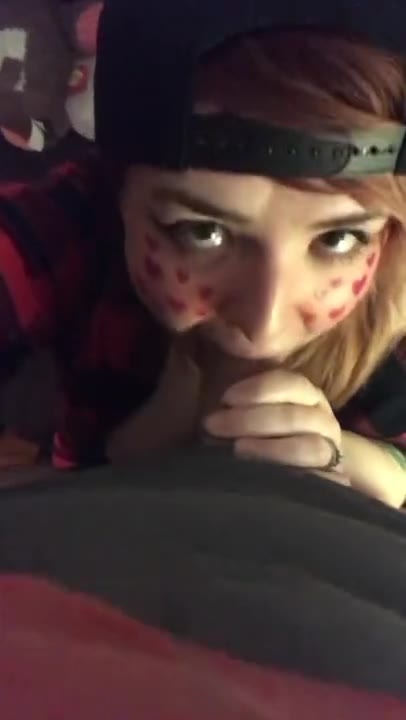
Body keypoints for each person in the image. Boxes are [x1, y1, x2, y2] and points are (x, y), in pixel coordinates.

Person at [1, 1, 406, 507]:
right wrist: (126, 459)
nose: (263, 324)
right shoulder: (73, 223)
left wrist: (365, 465)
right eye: (202, 232)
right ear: (119, 192)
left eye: (338, 239)